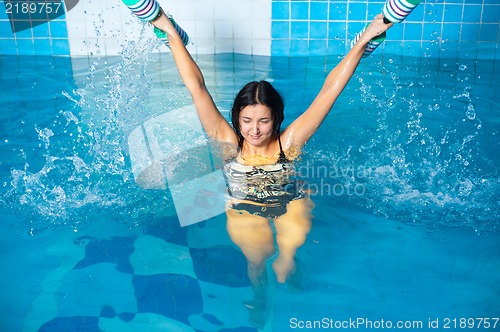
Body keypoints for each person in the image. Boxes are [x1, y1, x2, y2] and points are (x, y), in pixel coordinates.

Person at [149, 7, 392, 316]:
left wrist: (363, 42)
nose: (254, 130)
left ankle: (290, 265)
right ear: (237, 118)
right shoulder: (227, 142)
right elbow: (197, 88)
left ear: (276, 118)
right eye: (247, 120)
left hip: (291, 199)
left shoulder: (289, 142)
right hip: (242, 204)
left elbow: (330, 90)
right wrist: (170, 33)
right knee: (256, 258)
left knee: (286, 254)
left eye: (263, 121)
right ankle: (260, 293)